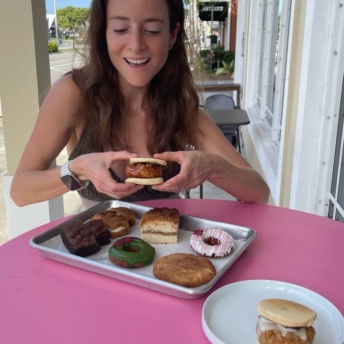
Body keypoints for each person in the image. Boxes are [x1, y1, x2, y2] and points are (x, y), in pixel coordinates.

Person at [10, 0, 270, 210]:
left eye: (152, 30)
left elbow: (259, 192)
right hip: (99, 258)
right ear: (103, 34)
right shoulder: (75, 93)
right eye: (121, 29)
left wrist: (213, 167)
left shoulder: (182, 109)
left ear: (172, 34)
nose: (135, 45)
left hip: (170, 258)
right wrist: (76, 170)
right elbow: (21, 191)